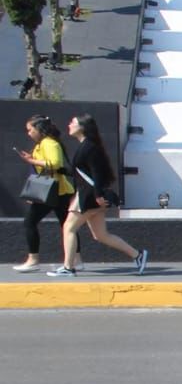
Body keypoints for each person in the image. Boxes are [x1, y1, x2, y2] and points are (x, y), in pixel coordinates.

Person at [50, 114, 147, 277]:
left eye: (73, 122)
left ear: (82, 127)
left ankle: (68, 267)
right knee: (101, 235)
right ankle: (138, 255)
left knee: (69, 228)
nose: (69, 125)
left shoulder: (89, 147)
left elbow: (97, 173)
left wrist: (98, 195)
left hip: (89, 196)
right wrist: (59, 170)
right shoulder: (87, 145)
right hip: (91, 195)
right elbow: (82, 172)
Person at [13, 115, 74, 272]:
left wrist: (32, 161)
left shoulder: (49, 143)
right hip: (57, 190)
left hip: (52, 190)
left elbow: (55, 163)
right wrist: (32, 158)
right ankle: (77, 260)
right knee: (67, 225)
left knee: (30, 222)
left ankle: (33, 260)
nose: (28, 133)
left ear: (39, 129)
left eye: (30, 130)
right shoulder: (43, 144)